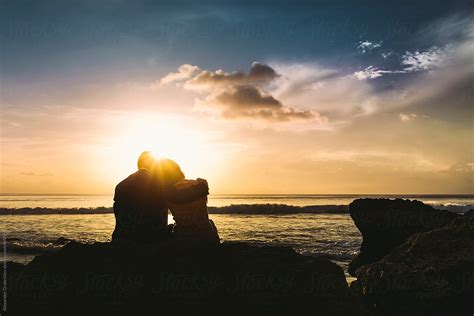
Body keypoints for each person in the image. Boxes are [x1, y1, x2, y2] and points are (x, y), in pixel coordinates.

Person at [112, 151, 209, 244]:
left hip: (121, 237)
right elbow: (177, 196)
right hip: (150, 240)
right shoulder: (156, 182)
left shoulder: (121, 185)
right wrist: (202, 188)